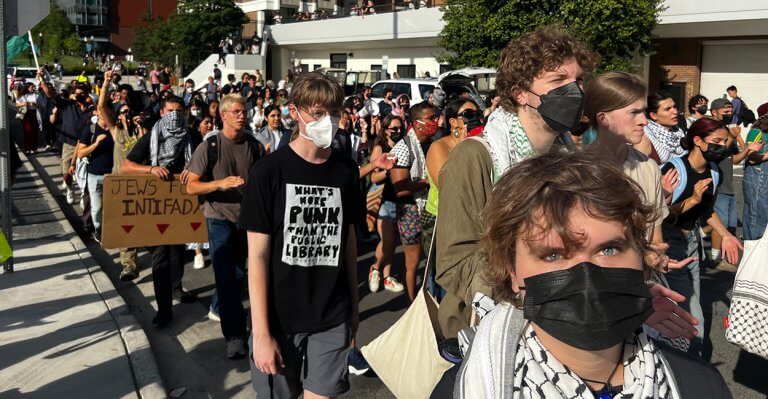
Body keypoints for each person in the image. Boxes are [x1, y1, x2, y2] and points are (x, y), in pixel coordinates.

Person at [441, 151, 731, 399]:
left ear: (641, 258)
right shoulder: (460, 389)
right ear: (511, 271)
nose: (587, 275)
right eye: (553, 255)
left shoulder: (698, 386)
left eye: (609, 249)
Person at [435, 27, 597, 338]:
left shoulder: (571, 159)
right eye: (558, 81)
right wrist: (536, 285)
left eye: (578, 81)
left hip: (562, 322)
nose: (574, 91)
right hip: (489, 329)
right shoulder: (477, 157)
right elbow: (454, 263)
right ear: (521, 93)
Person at [240, 72, 394, 398]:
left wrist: (353, 310)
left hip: (332, 315)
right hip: (280, 319)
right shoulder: (268, 172)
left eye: (334, 113)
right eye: (318, 113)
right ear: (294, 112)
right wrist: (262, 333)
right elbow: (257, 256)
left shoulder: (346, 170)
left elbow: (349, 244)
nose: (328, 121)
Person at [185, 94, 265, 358]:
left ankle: (223, 311)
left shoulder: (254, 146)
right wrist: (220, 184)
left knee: (241, 275)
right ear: (224, 115)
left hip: (248, 219)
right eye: (238, 112)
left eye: (245, 111)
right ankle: (235, 336)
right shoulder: (210, 147)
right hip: (218, 217)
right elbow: (191, 186)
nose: (243, 115)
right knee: (226, 277)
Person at [661, 117, 743, 355]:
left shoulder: (715, 172)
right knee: (691, 311)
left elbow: (707, 212)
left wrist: (726, 234)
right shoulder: (674, 170)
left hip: (692, 243)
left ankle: (685, 358)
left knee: (689, 301)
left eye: (726, 142)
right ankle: (691, 363)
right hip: (667, 242)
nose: (723, 146)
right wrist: (692, 200)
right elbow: (659, 212)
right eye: (717, 141)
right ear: (697, 140)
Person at [122, 96, 198, 327]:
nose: (174, 116)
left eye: (179, 111)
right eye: (169, 111)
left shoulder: (192, 137)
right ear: (161, 113)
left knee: (177, 252)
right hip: (156, 207)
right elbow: (127, 166)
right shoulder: (151, 137)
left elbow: (203, 162)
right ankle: (164, 308)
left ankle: (176, 289)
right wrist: (151, 169)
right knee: (160, 256)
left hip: (181, 206)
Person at [97, 71, 146, 279]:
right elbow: (101, 107)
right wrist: (107, 82)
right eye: (123, 112)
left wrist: (141, 125)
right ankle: (129, 265)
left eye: (129, 111)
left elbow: (147, 151)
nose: (126, 114)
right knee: (125, 225)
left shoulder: (141, 132)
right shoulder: (117, 132)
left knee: (139, 225)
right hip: (120, 184)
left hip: (140, 184)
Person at [423, 99, 480, 256]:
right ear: (453, 121)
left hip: (469, 217)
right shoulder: (438, 147)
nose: (474, 117)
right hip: (441, 217)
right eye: (468, 114)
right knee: (442, 273)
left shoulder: (478, 143)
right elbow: (448, 186)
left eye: (477, 114)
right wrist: (463, 149)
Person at [707, 98, 754, 271]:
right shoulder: (709, 128)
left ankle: (724, 256)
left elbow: (732, 159)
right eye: (725, 111)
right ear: (714, 112)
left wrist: (748, 149)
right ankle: (715, 258)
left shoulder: (726, 130)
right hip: (717, 183)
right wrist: (730, 138)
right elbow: (714, 151)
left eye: (730, 111)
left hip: (729, 184)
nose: (729, 113)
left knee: (730, 224)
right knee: (720, 223)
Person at [366, 114, 406, 294]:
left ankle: (387, 276)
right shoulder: (379, 148)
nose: (398, 131)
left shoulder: (404, 146)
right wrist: (388, 169)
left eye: (400, 128)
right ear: (386, 130)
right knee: (387, 239)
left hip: (401, 197)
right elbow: (373, 177)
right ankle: (375, 268)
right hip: (383, 198)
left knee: (392, 242)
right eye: (394, 129)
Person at [75, 94, 115, 243]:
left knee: (112, 208)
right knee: (96, 208)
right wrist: (96, 144)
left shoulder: (114, 129)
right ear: (97, 112)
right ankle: (99, 231)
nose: (103, 112)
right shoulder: (90, 129)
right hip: (94, 175)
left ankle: (111, 232)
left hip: (112, 175)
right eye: (100, 110)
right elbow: (81, 152)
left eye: (106, 110)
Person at [637, 92, 685, 164]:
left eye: (674, 107)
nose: (675, 112)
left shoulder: (679, 131)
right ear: (654, 115)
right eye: (668, 109)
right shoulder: (644, 137)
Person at [743, 115, 768, 240]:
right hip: (758, 179)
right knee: (756, 218)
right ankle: (752, 252)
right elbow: (751, 158)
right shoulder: (756, 132)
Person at [15, 82, 43, 155]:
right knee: (27, 131)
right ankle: (27, 149)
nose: (33, 88)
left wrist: (35, 105)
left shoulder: (37, 95)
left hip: (35, 113)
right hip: (26, 114)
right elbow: (17, 104)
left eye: (34, 87)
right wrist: (24, 104)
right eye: (32, 87)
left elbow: (42, 105)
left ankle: (34, 148)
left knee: (34, 131)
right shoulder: (24, 96)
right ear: (27, 88)